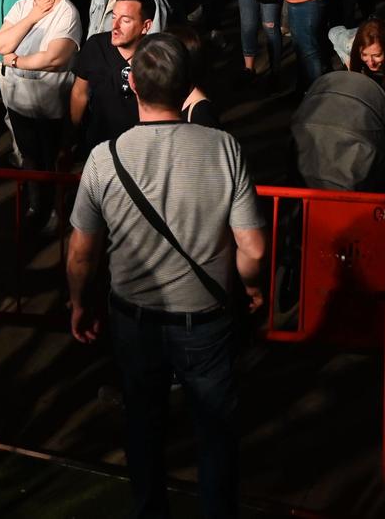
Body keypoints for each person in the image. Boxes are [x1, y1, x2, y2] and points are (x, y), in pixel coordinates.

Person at [67, 33, 266, 519]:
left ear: (131, 85)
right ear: (188, 89)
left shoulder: (104, 158)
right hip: (205, 316)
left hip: (134, 319)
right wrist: (254, 286)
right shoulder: (224, 148)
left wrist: (78, 302)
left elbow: (81, 253)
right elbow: (253, 248)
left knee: (143, 425)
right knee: (215, 432)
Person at [0, 0, 82, 229]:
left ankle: (57, 212)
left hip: (51, 103)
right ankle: (35, 206)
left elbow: (54, 58)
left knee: (53, 159)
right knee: (30, 157)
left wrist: (17, 60)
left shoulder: (67, 12)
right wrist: (30, 18)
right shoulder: (23, 6)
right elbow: (1, 43)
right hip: (20, 99)